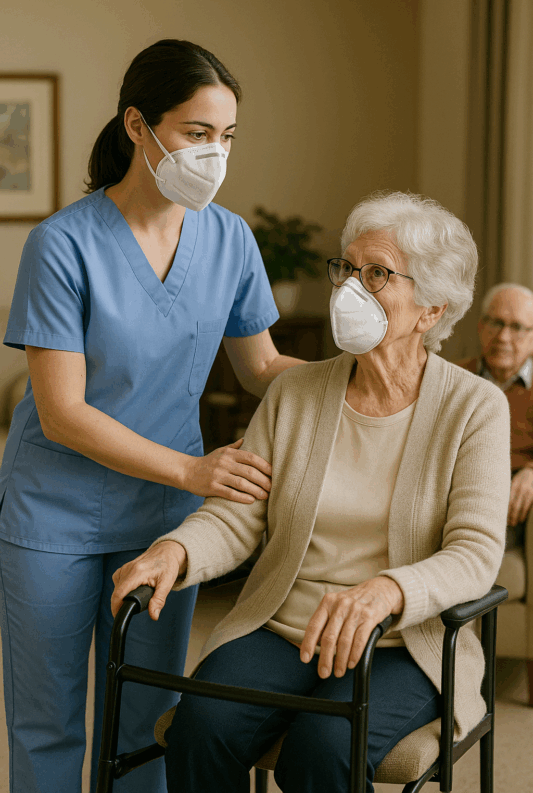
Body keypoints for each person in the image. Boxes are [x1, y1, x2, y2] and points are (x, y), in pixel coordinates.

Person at [112, 191, 511, 793]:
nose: (350, 286)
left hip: (402, 642)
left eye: (376, 274)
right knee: (200, 729)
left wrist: (387, 591)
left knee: (323, 749)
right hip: (283, 627)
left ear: (430, 310)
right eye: (346, 268)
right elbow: (235, 517)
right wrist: (177, 549)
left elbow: (475, 553)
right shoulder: (294, 394)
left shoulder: (475, 407)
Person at [0, 39, 306, 793]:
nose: (214, 154)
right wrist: (194, 471)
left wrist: (372, 376)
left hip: (163, 519)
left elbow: (261, 367)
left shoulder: (229, 238)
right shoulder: (62, 245)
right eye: (197, 133)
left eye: (226, 136)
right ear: (138, 126)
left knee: (146, 722)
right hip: (54, 511)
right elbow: (62, 413)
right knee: (47, 721)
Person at [457, 283, 533, 548]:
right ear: (481, 326)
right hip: (458, 490)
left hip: (512, 500)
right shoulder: (454, 378)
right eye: (496, 323)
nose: (503, 336)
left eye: (517, 327)